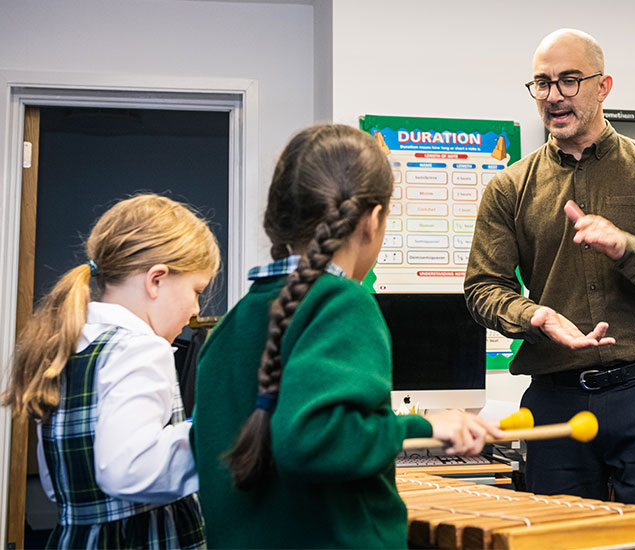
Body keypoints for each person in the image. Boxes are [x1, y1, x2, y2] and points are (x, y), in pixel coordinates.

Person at [191, 124, 502, 549]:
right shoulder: (342, 304)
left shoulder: (229, 325)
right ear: (371, 222)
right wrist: (424, 425)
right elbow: (312, 440)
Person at [464, 28, 635, 523]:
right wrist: (533, 314)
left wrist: (629, 249)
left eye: (569, 81)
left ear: (603, 86)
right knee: (562, 540)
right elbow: (482, 288)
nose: (554, 96)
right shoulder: (509, 187)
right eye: (541, 83)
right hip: (555, 400)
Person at [2, 194, 220, 549]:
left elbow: (55, 479)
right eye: (196, 291)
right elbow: (128, 468)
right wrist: (213, 431)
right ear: (156, 280)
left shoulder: (66, 347)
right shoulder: (141, 349)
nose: (195, 310)